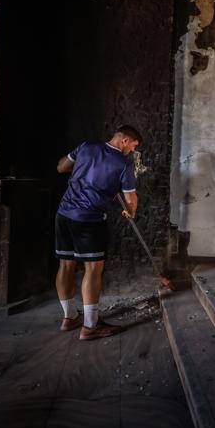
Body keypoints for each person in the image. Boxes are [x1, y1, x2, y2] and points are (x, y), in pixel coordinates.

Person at [54, 125, 141, 341]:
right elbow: (131, 200)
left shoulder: (86, 146)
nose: (132, 151)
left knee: (66, 265)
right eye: (133, 146)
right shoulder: (123, 163)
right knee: (93, 269)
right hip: (88, 219)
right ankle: (90, 327)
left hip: (63, 214)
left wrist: (83, 170)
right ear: (124, 140)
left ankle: (69, 318)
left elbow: (61, 167)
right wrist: (130, 211)